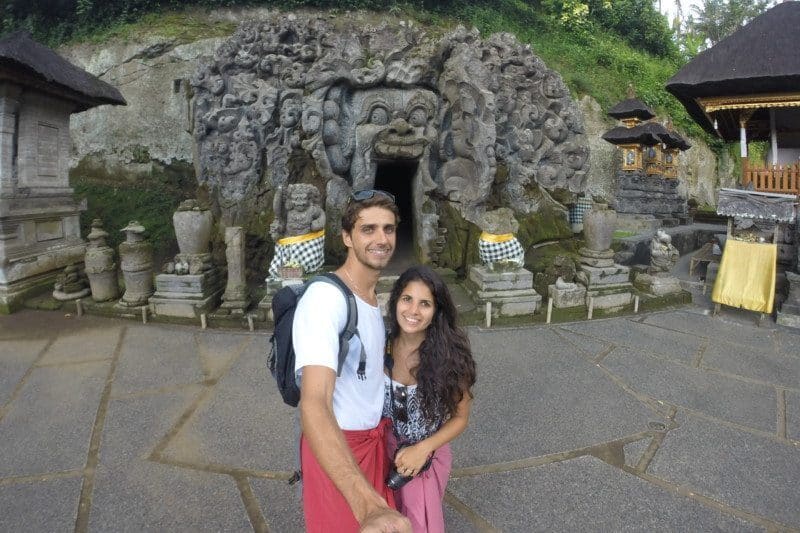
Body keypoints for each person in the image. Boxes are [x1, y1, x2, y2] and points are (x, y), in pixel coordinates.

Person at [292, 190, 412, 533]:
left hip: (374, 442)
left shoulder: (372, 298)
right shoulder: (325, 300)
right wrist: (366, 504)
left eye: (388, 229)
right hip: (338, 447)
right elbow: (314, 403)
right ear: (347, 237)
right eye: (368, 229)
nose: (381, 239)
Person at [383, 265, 477, 532]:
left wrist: (422, 449)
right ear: (396, 300)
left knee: (418, 523)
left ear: (436, 311)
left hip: (424, 459)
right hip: (381, 451)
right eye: (407, 299)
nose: (413, 311)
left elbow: (461, 417)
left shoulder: (451, 358)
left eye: (425, 304)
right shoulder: (380, 343)